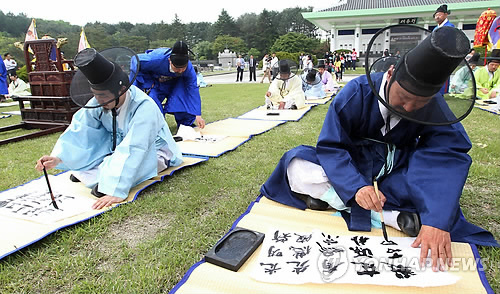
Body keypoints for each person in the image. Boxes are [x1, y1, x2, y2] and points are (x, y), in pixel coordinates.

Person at [261, 26, 498, 273]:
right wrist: (356, 186)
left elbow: (447, 154)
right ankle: (390, 216)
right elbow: (332, 146)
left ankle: (337, 201)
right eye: (403, 98)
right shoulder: (356, 92)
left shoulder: (433, 104)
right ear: (391, 73)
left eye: (419, 104)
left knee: (438, 199)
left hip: (395, 169)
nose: (407, 108)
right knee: (296, 163)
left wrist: (437, 221)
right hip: (351, 166)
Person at [35, 47, 183, 210]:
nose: (98, 101)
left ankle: (108, 179)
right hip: (119, 148)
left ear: (121, 90)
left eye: (103, 96)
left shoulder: (144, 107)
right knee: (99, 164)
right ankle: (102, 175)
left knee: (124, 169)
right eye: (95, 95)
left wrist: (116, 189)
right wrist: (58, 157)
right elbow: (80, 130)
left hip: (153, 150)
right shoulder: (98, 101)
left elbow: (135, 147)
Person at [131, 41, 206, 129]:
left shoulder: (188, 68)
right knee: (153, 101)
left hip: (175, 83)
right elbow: (134, 61)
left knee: (182, 97)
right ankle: (157, 127)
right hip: (155, 83)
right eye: (177, 68)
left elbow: (192, 88)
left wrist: (197, 114)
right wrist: (147, 83)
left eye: (183, 67)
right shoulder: (155, 59)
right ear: (170, 60)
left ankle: (185, 125)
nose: (181, 71)